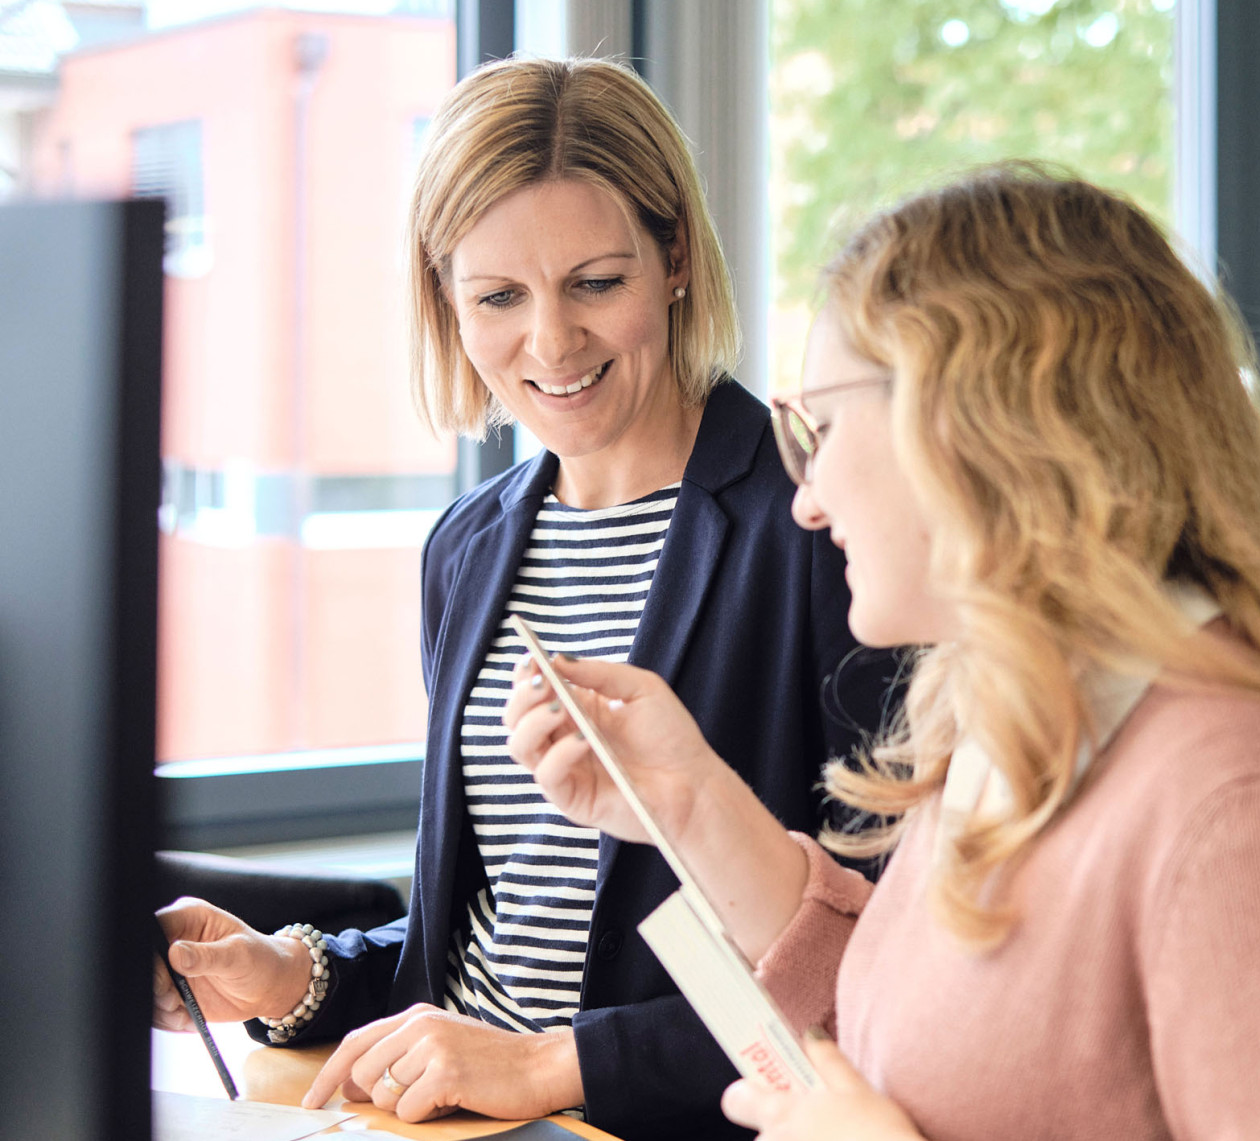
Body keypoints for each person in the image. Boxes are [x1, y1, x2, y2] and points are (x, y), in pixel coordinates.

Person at [504, 164, 1260, 1139]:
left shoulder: (1239, 795)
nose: (806, 497)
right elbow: (912, 1038)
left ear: (972, 417)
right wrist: (686, 800)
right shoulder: (1010, 706)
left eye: (821, 428)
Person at [152, 56, 895, 1141]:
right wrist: (286, 977)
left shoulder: (821, 519)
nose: (550, 344)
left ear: (676, 257)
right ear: (448, 302)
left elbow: (883, 965)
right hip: (465, 1120)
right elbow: (490, 939)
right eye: (498, 296)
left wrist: (557, 1063)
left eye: (597, 283)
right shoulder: (468, 547)